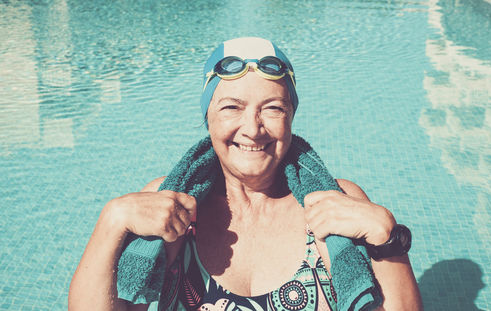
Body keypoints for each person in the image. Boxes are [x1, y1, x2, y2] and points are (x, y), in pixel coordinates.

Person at [69, 37, 423, 311]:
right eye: (231, 107)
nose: (252, 129)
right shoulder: (171, 206)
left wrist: (386, 237)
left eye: (272, 108)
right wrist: (111, 221)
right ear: (207, 117)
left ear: (291, 117)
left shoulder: (337, 203)